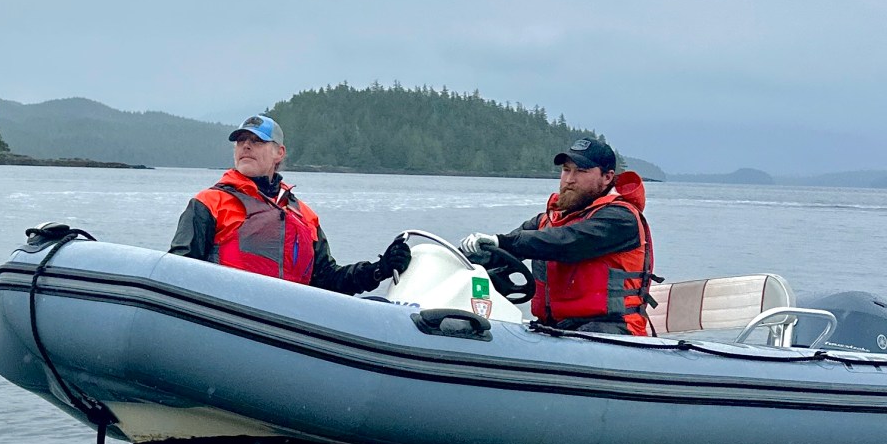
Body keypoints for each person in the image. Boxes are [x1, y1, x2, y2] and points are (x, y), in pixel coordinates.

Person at [171, 115, 412, 293]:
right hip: (226, 315)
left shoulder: (306, 217)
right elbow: (177, 271)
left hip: (288, 323)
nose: (246, 146)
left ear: (279, 153)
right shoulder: (209, 203)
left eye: (257, 141)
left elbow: (328, 280)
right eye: (241, 141)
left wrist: (379, 269)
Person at [458, 136, 655, 335]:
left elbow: (566, 242)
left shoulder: (620, 218)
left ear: (607, 177)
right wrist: (469, 256)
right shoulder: (547, 220)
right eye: (566, 170)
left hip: (611, 328)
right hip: (557, 328)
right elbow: (508, 248)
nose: (569, 179)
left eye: (581, 171)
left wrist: (503, 241)